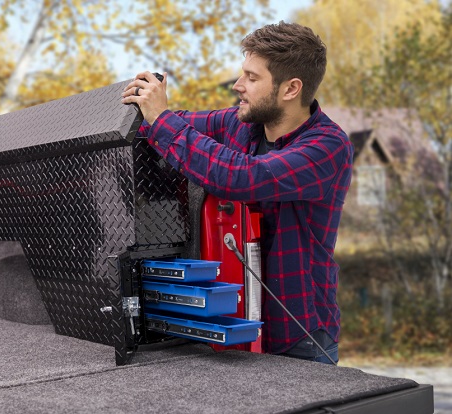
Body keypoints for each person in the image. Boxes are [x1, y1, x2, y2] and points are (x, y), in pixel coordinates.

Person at [122, 21, 353, 364]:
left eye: (252, 78)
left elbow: (240, 177)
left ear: (291, 89)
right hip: (237, 327)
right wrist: (142, 108)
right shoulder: (240, 123)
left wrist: (162, 120)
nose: (238, 85)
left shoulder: (327, 148)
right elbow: (173, 124)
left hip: (298, 337)